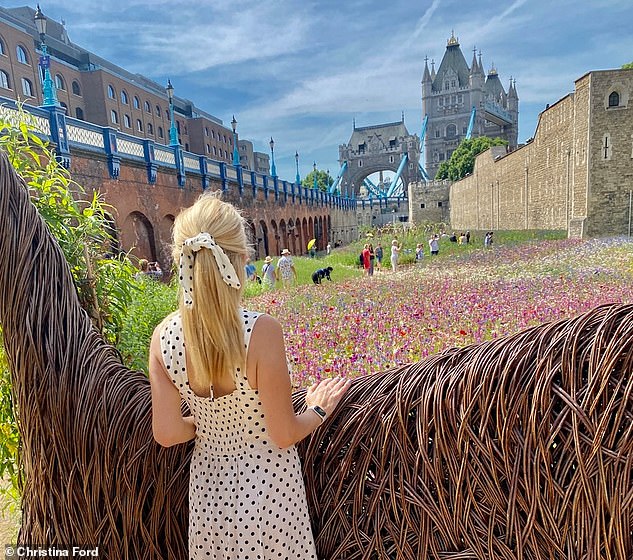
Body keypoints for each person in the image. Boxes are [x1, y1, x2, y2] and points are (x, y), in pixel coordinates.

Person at [148, 192, 351, 559]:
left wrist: (202, 424)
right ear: (241, 261)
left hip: (209, 497)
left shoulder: (163, 338)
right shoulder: (261, 333)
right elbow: (284, 432)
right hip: (271, 496)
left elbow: (165, 433)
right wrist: (318, 409)